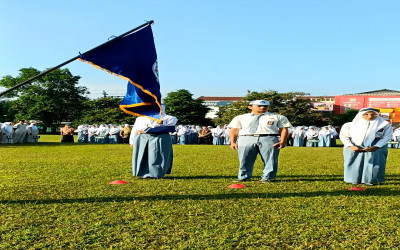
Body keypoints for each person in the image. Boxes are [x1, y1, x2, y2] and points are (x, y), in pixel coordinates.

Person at [228, 100, 292, 182]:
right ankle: (243, 176)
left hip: (269, 138)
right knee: (244, 158)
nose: (263, 107)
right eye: (259, 106)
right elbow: (234, 130)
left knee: (270, 159)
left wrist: (283, 141)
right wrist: (233, 142)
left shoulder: (278, 117)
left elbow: (283, 129)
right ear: (250, 107)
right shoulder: (240, 117)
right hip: (246, 138)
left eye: (265, 106)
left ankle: (268, 177)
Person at [339, 108, 393, 186]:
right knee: (354, 161)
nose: (370, 116)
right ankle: (353, 179)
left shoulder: (384, 125)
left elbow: (387, 136)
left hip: (377, 144)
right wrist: (350, 146)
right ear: (361, 115)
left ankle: (371, 180)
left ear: (377, 115)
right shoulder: (349, 125)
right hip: (354, 144)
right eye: (366, 114)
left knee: (375, 162)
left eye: (373, 114)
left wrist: (377, 146)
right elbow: (344, 136)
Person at [129, 105, 178, 179]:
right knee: (143, 155)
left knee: (156, 155)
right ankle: (144, 173)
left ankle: (156, 173)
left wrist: (159, 123)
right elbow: (135, 129)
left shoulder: (169, 118)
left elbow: (169, 128)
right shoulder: (140, 118)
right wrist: (132, 140)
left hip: (159, 138)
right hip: (142, 138)